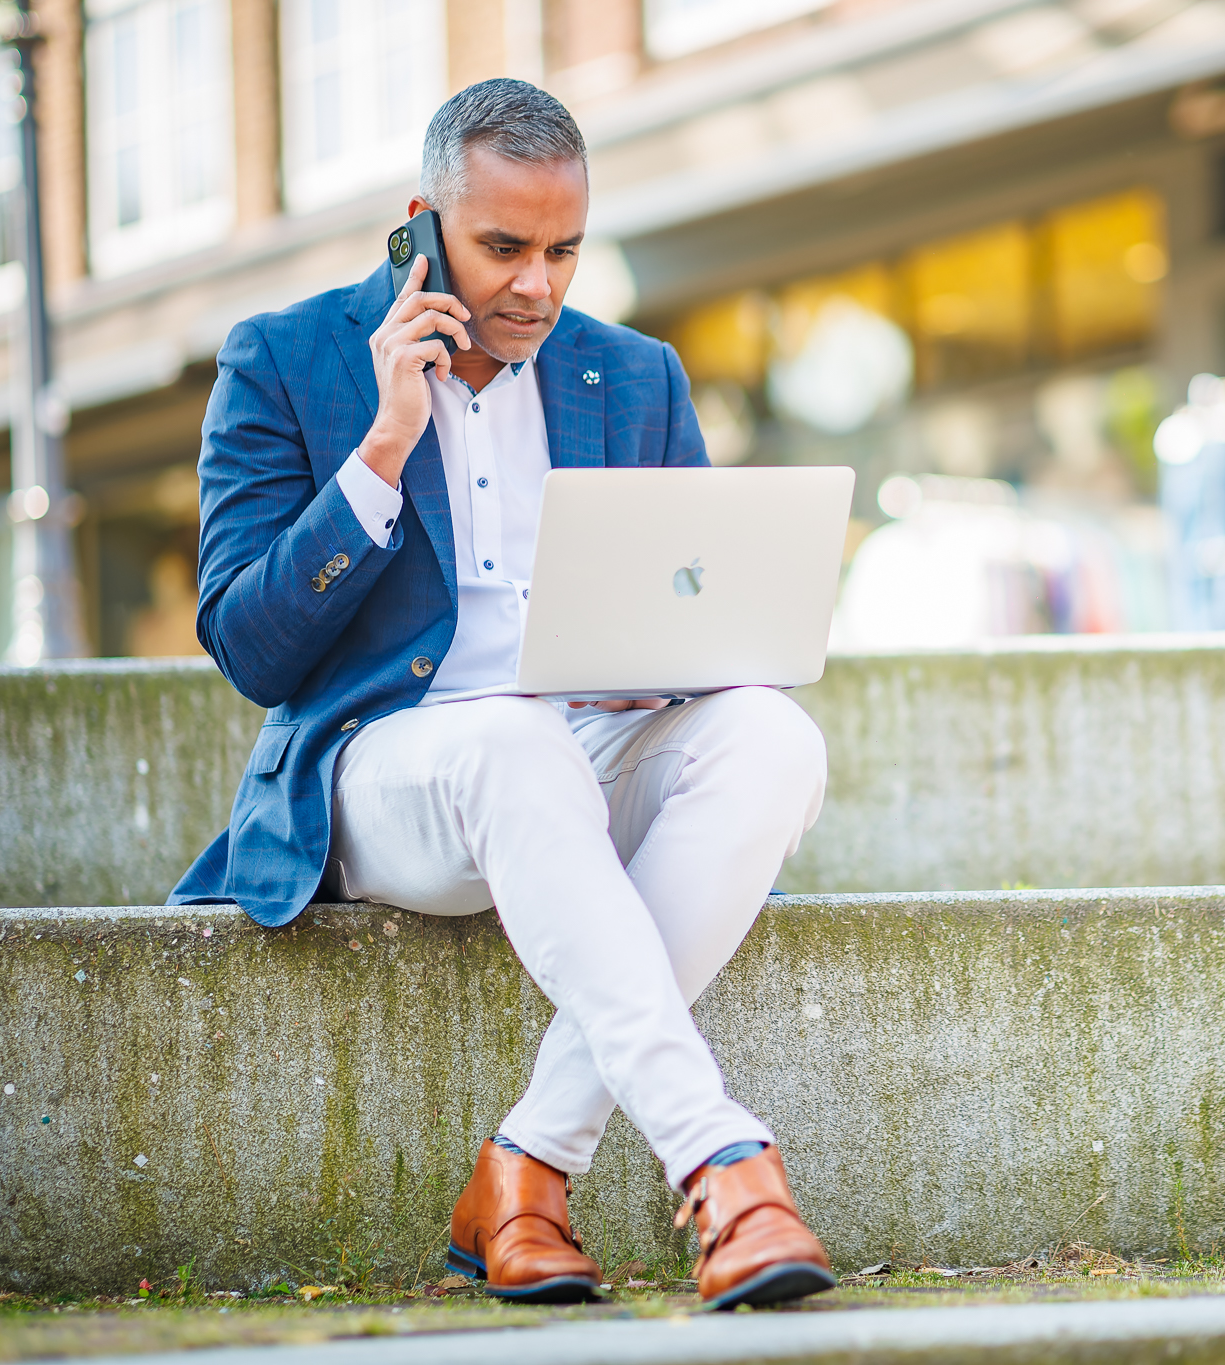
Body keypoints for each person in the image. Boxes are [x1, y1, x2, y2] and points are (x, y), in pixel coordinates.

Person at [169, 79, 835, 1311]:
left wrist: (678, 670)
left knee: (772, 738)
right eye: (503, 248)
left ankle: (525, 1169)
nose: (537, 285)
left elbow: (693, 605)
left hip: (579, 759)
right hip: (389, 777)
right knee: (510, 744)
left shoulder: (631, 377)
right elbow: (252, 651)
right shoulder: (286, 360)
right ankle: (722, 1167)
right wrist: (381, 450)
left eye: (565, 249)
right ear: (423, 225)